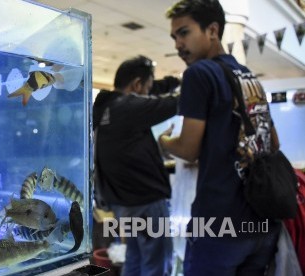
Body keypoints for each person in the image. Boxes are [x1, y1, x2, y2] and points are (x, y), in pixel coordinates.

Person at [159, 1, 281, 275]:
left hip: (219, 223)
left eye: (184, 32)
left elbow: (189, 149)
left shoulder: (199, 74)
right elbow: (273, 143)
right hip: (262, 220)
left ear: (212, 30)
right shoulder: (250, 78)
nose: (178, 43)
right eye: (174, 36)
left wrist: (164, 143)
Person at [93, 55, 179, 276]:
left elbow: (127, 151)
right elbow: (173, 103)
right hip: (145, 201)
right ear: (137, 85)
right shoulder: (128, 106)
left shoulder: (106, 107)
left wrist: (170, 81)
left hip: (124, 203)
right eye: (147, 87)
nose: (148, 93)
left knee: (134, 258)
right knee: (157, 264)